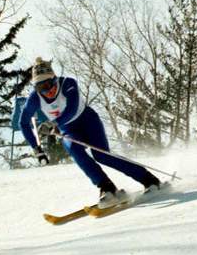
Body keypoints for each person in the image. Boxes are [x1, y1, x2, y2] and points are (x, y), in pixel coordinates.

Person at [19, 57, 161, 207]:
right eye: (41, 87)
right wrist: (37, 148)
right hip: (69, 130)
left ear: (55, 79)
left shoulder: (68, 83)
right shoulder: (34, 99)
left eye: (49, 84)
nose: (47, 90)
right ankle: (106, 188)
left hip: (87, 121)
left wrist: (54, 124)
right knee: (73, 148)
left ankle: (149, 180)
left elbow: (72, 109)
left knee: (102, 155)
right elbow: (23, 122)